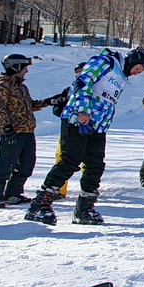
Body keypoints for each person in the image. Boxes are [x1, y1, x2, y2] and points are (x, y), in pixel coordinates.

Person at [25, 48, 144, 225]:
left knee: (95, 165)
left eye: (140, 72)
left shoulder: (121, 77)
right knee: (70, 160)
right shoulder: (105, 62)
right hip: (79, 118)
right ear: (133, 60)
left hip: (97, 125)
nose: (136, 73)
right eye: (138, 68)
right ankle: (40, 204)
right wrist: (83, 110)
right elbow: (83, 82)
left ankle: (84, 208)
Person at [0, 55, 63, 208]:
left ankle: (13, 194)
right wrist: (6, 128)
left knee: (26, 165)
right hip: (12, 132)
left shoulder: (21, 87)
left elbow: (29, 105)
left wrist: (48, 101)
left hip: (27, 131)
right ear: (15, 67)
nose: (26, 71)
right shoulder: (2, 86)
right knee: (5, 165)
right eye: (24, 67)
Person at [52, 61, 86, 198]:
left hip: (87, 128)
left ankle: (87, 188)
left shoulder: (94, 89)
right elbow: (57, 109)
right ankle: (59, 189)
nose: (79, 73)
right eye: (77, 71)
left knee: (87, 159)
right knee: (62, 157)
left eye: (81, 71)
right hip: (69, 127)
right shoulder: (70, 89)